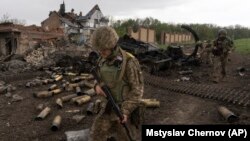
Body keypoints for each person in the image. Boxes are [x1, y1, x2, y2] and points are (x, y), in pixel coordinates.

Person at [88, 26, 144, 141]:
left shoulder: (129, 62)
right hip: (107, 109)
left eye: (104, 49)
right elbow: (98, 79)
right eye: (99, 49)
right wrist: (96, 86)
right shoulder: (101, 60)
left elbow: (137, 91)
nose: (101, 52)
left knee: (127, 138)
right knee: (95, 137)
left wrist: (125, 111)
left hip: (123, 112)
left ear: (112, 46)